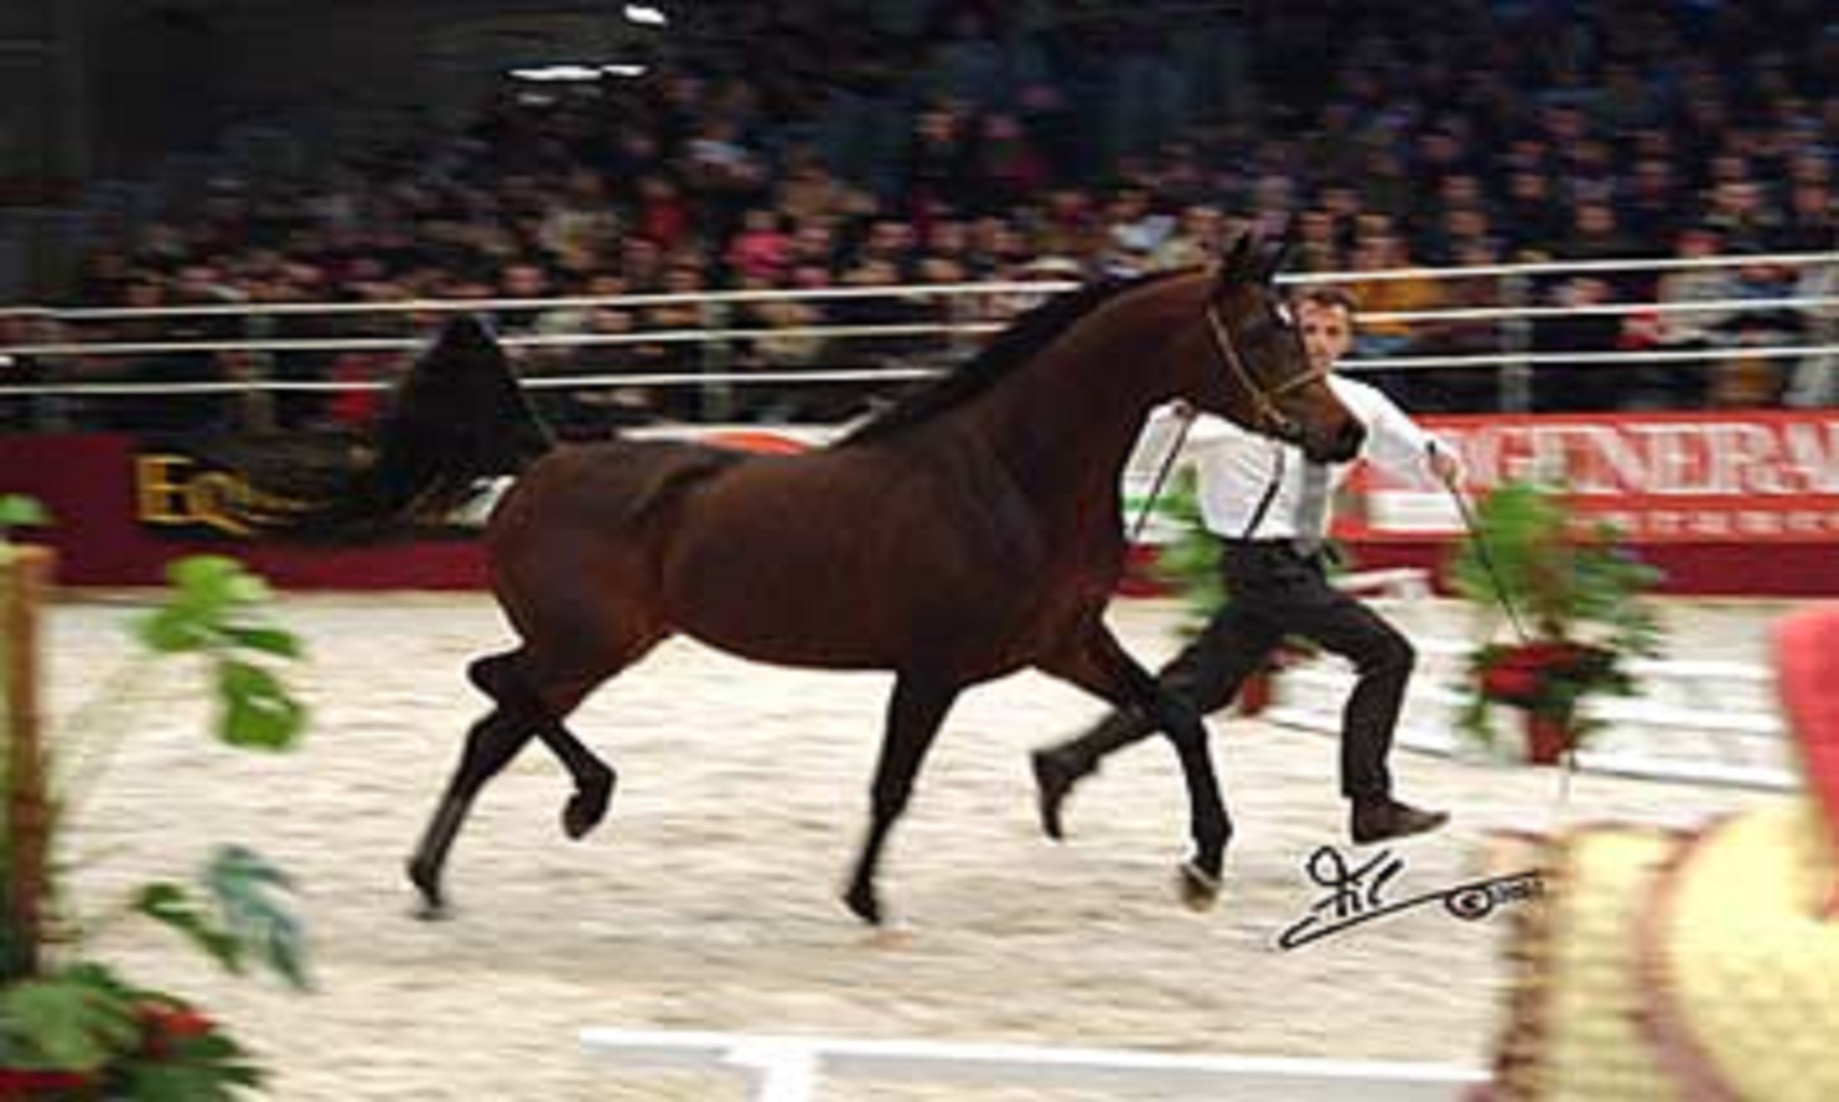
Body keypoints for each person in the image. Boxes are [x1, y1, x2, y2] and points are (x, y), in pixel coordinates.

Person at [1031, 286, 1461, 847]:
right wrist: (1175, 417)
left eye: (1333, 333)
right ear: (1287, 334)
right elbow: (1144, 454)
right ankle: (1370, 804)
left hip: (1300, 566)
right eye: (1310, 330)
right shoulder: (1235, 409)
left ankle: (1070, 758)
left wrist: (1437, 459)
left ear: (1350, 340)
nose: (1321, 344)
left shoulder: (1361, 404)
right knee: (1388, 655)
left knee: (1195, 691)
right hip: (1261, 564)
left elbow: (1409, 449)